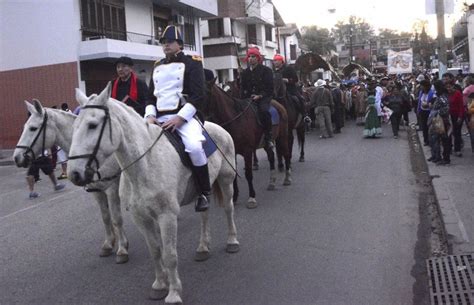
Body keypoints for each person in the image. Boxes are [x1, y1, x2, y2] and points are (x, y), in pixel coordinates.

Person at [144, 25, 210, 212]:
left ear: (179, 44)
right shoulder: (157, 66)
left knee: (195, 148)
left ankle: (204, 192)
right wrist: (149, 116)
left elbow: (199, 95)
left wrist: (180, 118)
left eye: (169, 42)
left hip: (184, 117)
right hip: (157, 118)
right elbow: (150, 96)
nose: (166, 45)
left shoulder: (193, 63)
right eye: (163, 43)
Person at [240, 47, 274, 148]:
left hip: (263, 97)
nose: (251, 58)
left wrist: (260, 96)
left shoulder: (266, 71)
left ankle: (268, 137)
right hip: (248, 99)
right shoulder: (245, 72)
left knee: (264, 111)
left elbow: (270, 87)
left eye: (253, 56)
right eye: (249, 56)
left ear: (258, 58)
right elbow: (243, 87)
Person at [428, 80, 451, 165]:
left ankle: (445, 158)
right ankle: (436, 156)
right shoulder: (439, 96)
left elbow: (446, 108)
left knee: (445, 140)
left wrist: (437, 113)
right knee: (434, 139)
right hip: (437, 120)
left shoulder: (442, 97)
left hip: (442, 121)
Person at [446, 81, 465, 157]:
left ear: (453, 86)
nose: (448, 88)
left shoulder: (458, 93)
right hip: (449, 116)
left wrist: (460, 117)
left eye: (449, 87)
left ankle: (457, 149)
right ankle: (449, 148)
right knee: (449, 132)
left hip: (457, 115)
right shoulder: (447, 94)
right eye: (447, 87)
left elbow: (461, 106)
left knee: (457, 132)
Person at [417, 80, 435, 146]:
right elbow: (419, 102)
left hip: (429, 112)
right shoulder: (421, 92)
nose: (421, 87)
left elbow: (433, 103)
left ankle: (431, 140)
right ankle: (426, 140)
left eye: (422, 86)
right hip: (422, 111)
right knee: (424, 127)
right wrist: (418, 110)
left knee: (430, 127)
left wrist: (427, 104)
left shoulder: (431, 93)